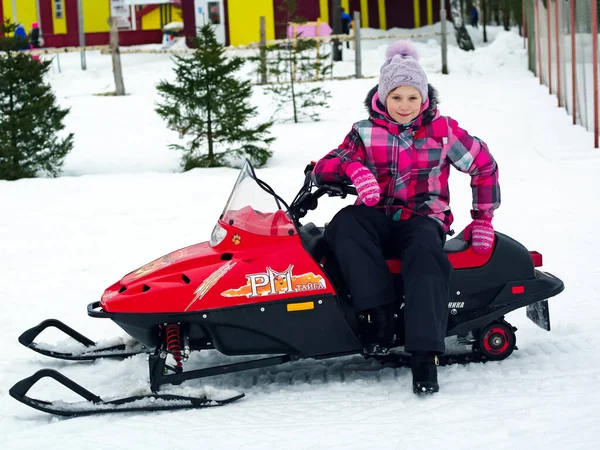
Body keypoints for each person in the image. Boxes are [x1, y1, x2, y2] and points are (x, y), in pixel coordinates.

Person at [312, 40, 500, 395]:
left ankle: (425, 356)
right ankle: (378, 317)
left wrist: (483, 219)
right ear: (383, 97)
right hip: (376, 215)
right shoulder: (365, 131)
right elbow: (325, 166)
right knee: (343, 227)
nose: (404, 106)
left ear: (425, 98)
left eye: (413, 97)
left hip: (423, 217)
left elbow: (485, 167)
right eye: (397, 97)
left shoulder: (444, 131)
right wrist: (353, 168)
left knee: (426, 259)